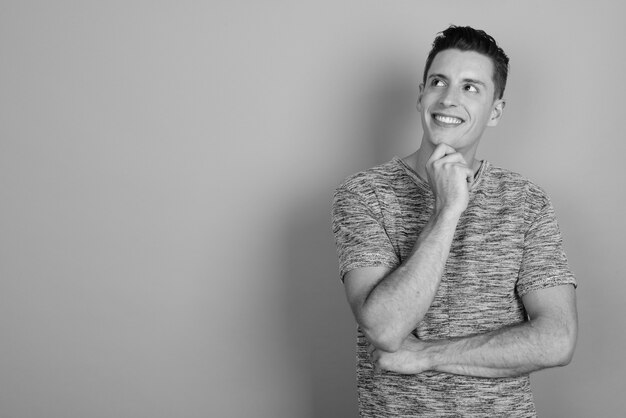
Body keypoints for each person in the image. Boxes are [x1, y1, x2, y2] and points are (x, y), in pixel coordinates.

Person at [331, 25, 578, 417]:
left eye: (470, 87)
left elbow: (557, 339)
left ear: (495, 110)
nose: (448, 98)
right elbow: (385, 328)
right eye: (438, 82)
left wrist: (425, 356)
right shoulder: (365, 194)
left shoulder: (526, 201)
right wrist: (447, 210)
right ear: (420, 95)